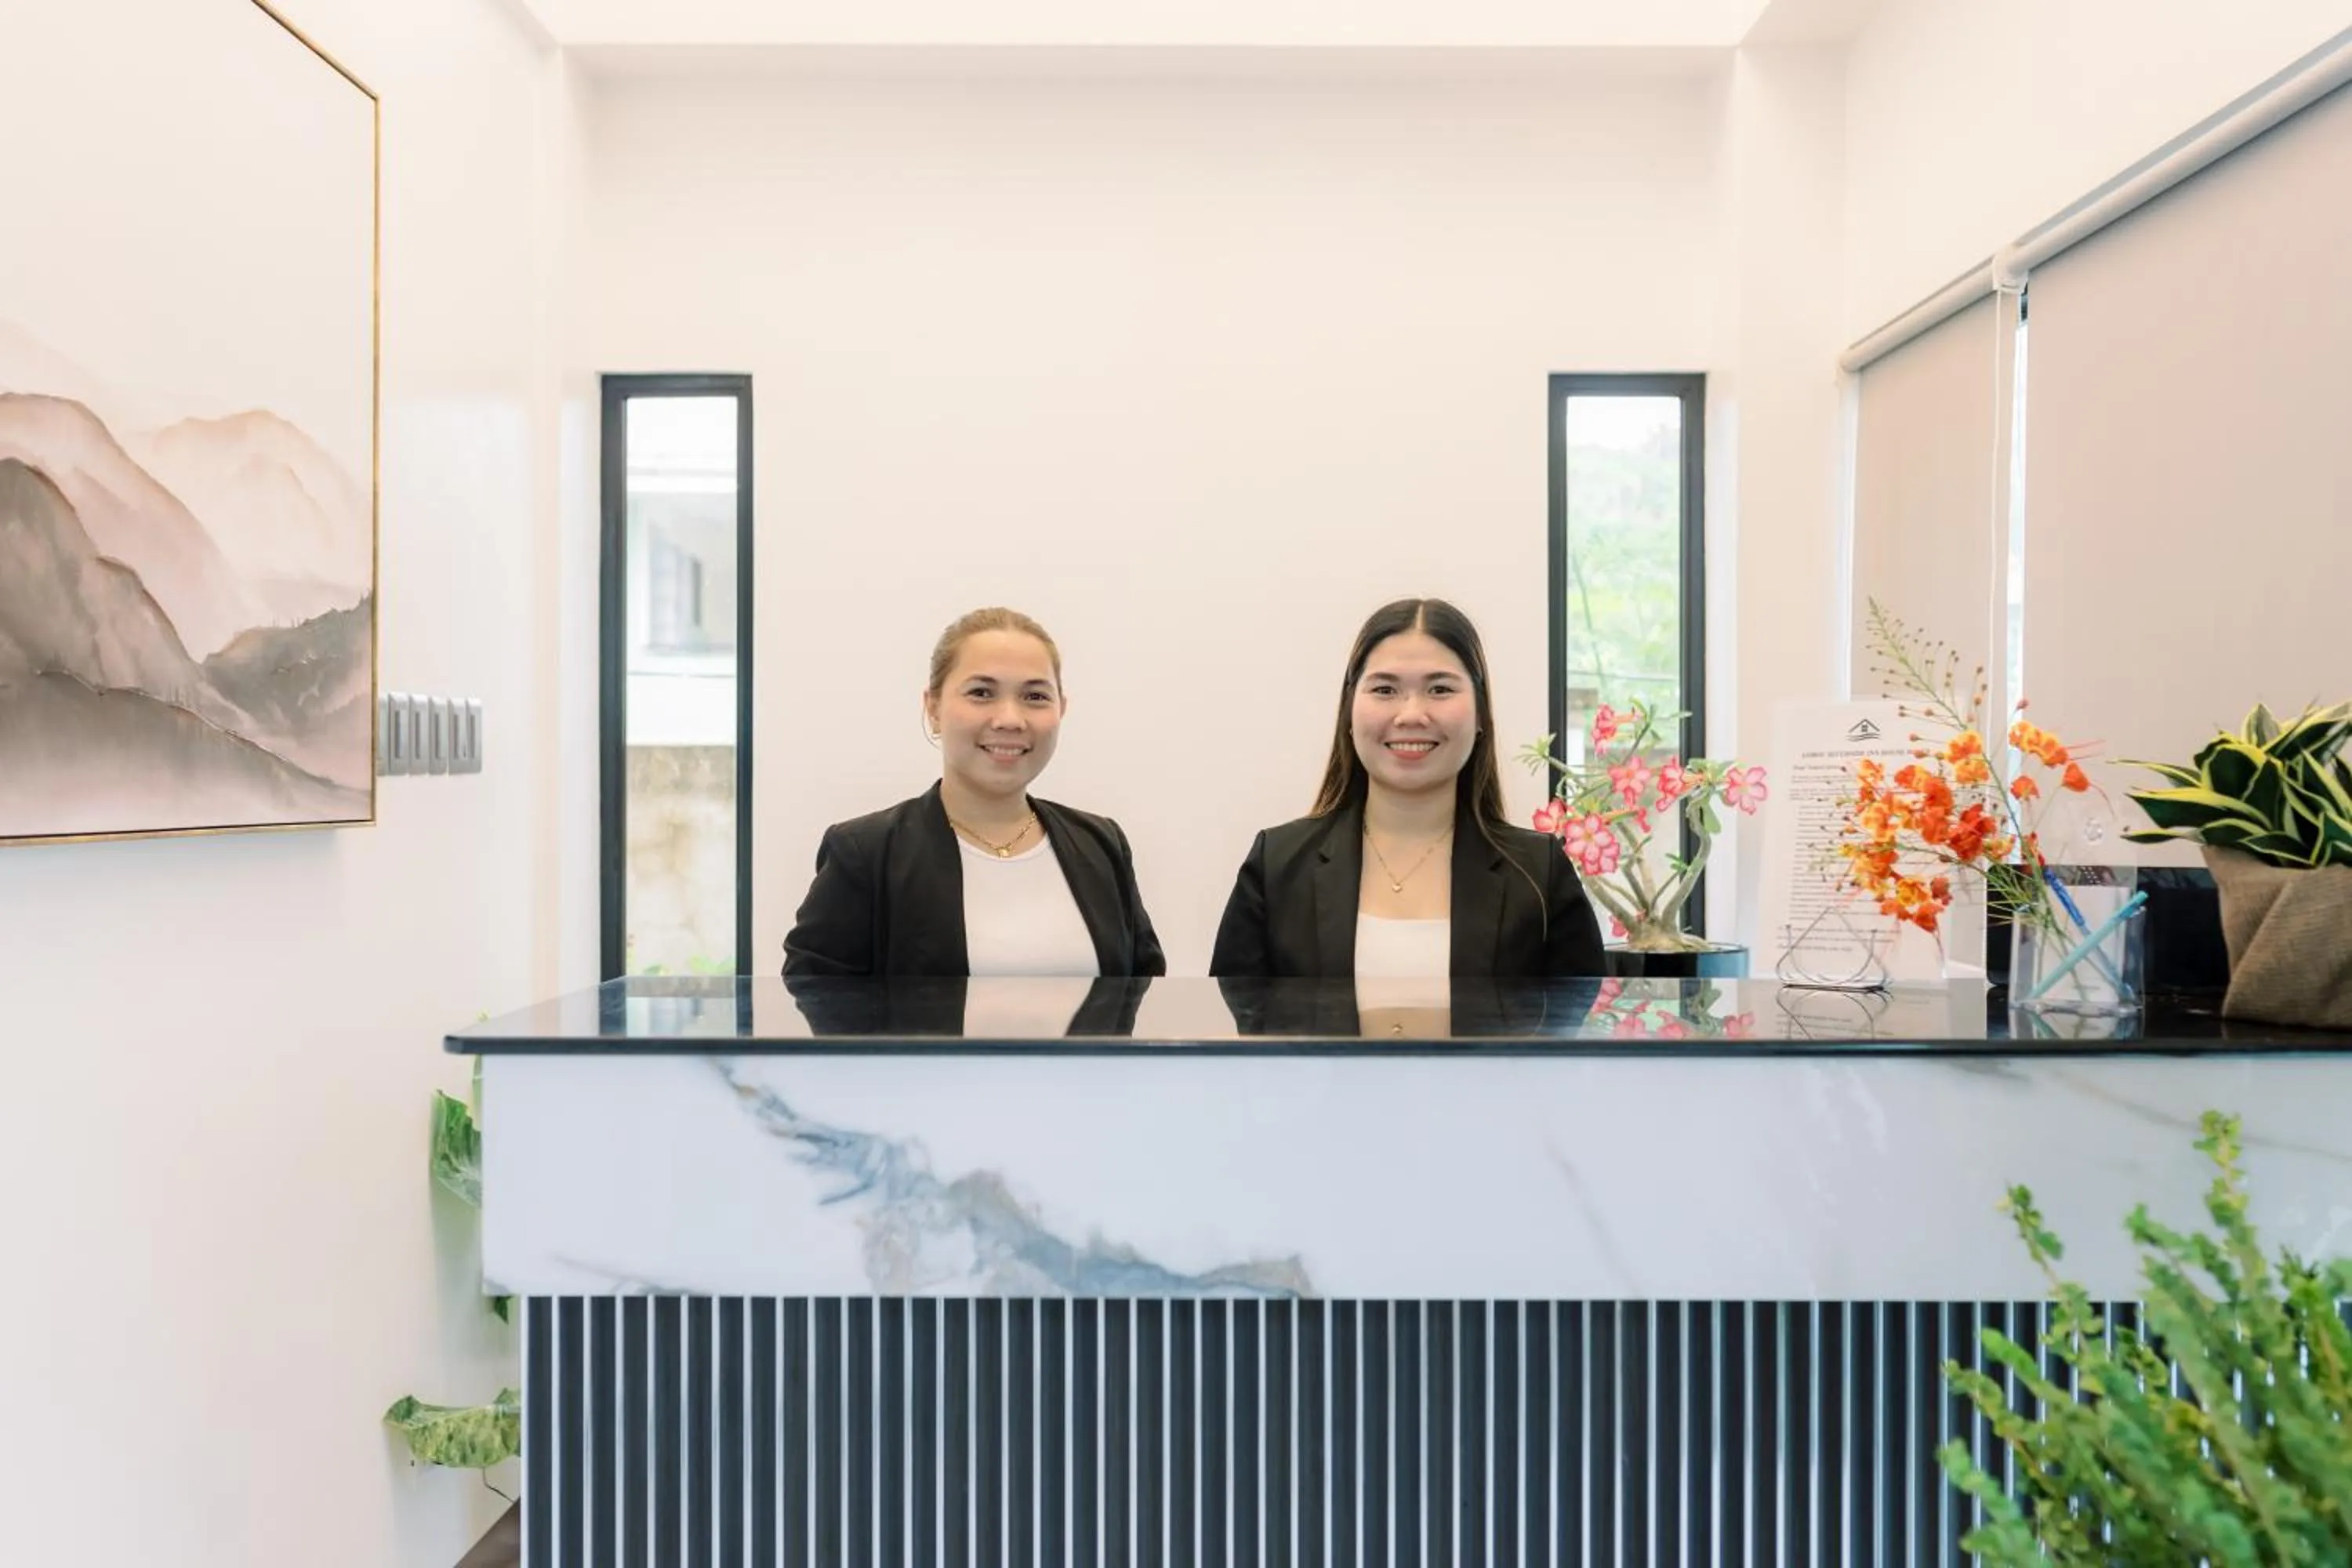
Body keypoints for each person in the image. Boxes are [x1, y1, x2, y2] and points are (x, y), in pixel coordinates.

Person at [1208, 597, 1603, 981]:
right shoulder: (1276, 867)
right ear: (1349, 709)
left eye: (1440, 690)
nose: (1411, 714)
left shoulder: (1539, 875)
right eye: (1384, 690)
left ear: (1481, 712)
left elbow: (1583, 1038)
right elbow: (1232, 1033)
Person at [782, 607, 1164, 979]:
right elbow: (815, 1013)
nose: (1010, 720)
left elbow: (1144, 997)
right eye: (982, 692)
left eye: (1035, 697)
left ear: (1061, 709)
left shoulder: (1101, 844)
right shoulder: (864, 853)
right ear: (933, 707)